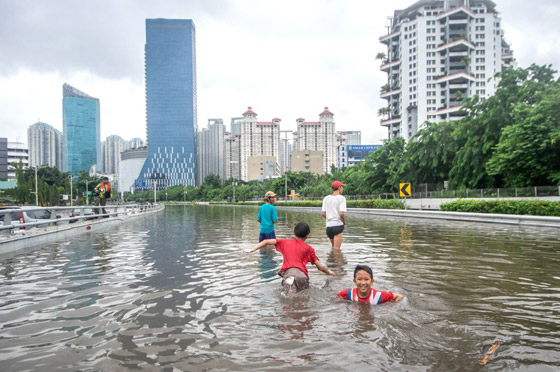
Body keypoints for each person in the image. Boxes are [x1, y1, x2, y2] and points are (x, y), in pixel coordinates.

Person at [243, 222, 335, 294]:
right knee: (303, 298)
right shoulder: (309, 249)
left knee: (288, 301)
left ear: (294, 233)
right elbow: (320, 267)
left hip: (289, 275)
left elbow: (266, 241)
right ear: (307, 235)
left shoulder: (285, 242)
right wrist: (329, 272)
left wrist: (251, 250)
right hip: (302, 277)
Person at [337, 264, 403, 305]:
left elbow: (399, 296)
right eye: (359, 279)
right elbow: (338, 295)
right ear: (354, 281)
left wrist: (391, 306)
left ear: (372, 281)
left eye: (366, 279)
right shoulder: (349, 293)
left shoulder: (378, 296)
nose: (363, 283)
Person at [321, 180, 347, 249]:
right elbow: (341, 214)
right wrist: (344, 223)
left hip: (328, 227)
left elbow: (323, 213)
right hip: (337, 225)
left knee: (333, 248)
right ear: (339, 188)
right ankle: (336, 260)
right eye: (342, 187)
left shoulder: (326, 198)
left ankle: (331, 260)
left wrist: (329, 217)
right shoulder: (341, 198)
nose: (342, 189)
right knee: (337, 250)